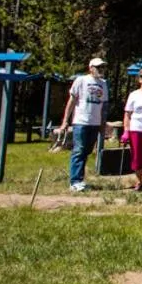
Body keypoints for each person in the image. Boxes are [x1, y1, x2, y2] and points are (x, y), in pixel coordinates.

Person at [58, 57, 108, 192]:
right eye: (98, 67)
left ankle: (80, 179)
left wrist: (103, 123)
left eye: (102, 67)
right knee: (79, 150)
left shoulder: (103, 84)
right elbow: (72, 101)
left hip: (95, 122)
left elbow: (103, 105)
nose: (101, 70)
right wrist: (65, 121)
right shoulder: (81, 80)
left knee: (86, 151)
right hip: (81, 121)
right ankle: (75, 181)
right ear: (91, 68)